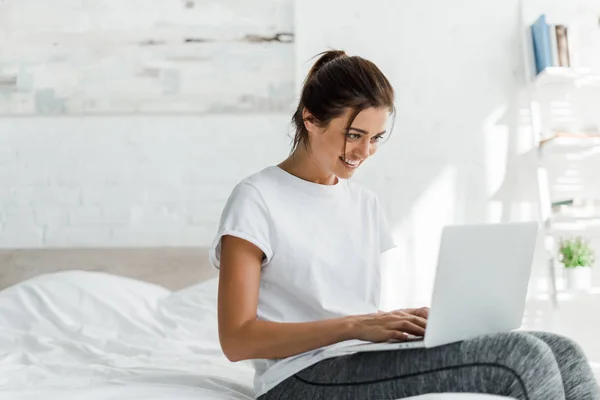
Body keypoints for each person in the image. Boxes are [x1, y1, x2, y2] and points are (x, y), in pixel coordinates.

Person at [209, 50, 600, 400]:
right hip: (296, 378)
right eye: (354, 135)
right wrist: (356, 325)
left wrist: (400, 322)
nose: (364, 152)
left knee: (563, 351)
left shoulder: (363, 203)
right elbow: (237, 339)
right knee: (521, 359)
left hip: (358, 356)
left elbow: (354, 311)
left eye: (376, 137)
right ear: (310, 119)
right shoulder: (257, 198)